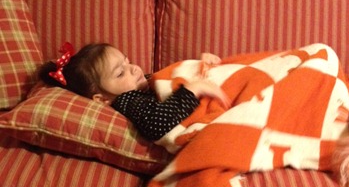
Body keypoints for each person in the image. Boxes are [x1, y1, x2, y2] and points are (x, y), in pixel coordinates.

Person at [38, 42, 230, 141]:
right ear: (101, 99)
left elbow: (171, 79)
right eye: (120, 73)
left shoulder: (142, 82)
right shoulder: (127, 100)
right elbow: (156, 124)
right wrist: (192, 89)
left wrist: (197, 66)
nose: (134, 69)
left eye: (127, 61)